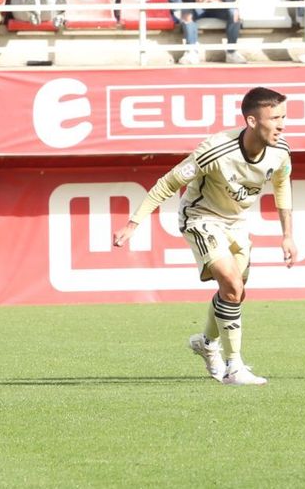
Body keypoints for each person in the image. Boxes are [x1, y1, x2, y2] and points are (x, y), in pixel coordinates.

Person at [112, 86, 293, 387]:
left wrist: (287, 235)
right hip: (200, 218)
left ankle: (207, 342)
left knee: (233, 292)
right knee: (233, 285)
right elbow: (168, 183)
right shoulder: (215, 150)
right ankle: (234, 367)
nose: (282, 124)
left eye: (283, 117)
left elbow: (282, 186)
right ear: (251, 121)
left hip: (236, 223)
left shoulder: (281, 151)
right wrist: (133, 223)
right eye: (274, 118)